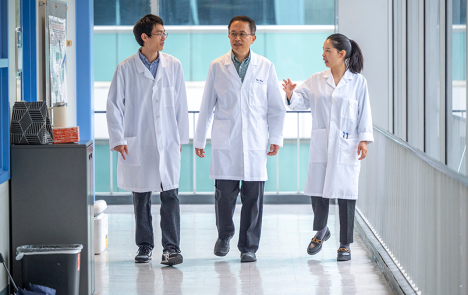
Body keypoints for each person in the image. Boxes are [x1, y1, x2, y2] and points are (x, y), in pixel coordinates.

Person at [194, 15, 286, 263]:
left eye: (242, 34)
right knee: (224, 196)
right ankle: (224, 236)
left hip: (256, 140)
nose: (237, 38)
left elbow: (276, 107)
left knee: (253, 199)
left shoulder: (266, 66)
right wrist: (199, 140)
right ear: (228, 36)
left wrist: (276, 136)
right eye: (233, 33)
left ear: (253, 38)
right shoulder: (217, 66)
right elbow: (206, 106)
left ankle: (248, 247)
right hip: (226, 140)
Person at [106, 14, 189, 266]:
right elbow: (113, 106)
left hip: (167, 143)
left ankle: (171, 248)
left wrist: (181, 138)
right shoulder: (125, 68)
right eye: (159, 33)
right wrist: (118, 138)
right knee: (141, 195)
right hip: (137, 141)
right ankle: (144, 246)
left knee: (170, 195)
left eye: (165, 33)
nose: (164, 37)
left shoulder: (173, 65)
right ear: (145, 37)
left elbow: (181, 105)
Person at [283, 34, 373, 261]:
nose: (322, 55)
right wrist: (291, 94)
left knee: (346, 194)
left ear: (341, 54)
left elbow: (364, 112)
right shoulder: (316, 79)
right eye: (323, 50)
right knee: (317, 190)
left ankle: (345, 244)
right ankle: (321, 231)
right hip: (322, 143)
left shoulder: (358, 82)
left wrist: (363, 139)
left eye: (327, 51)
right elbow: (299, 103)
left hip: (347, 144)